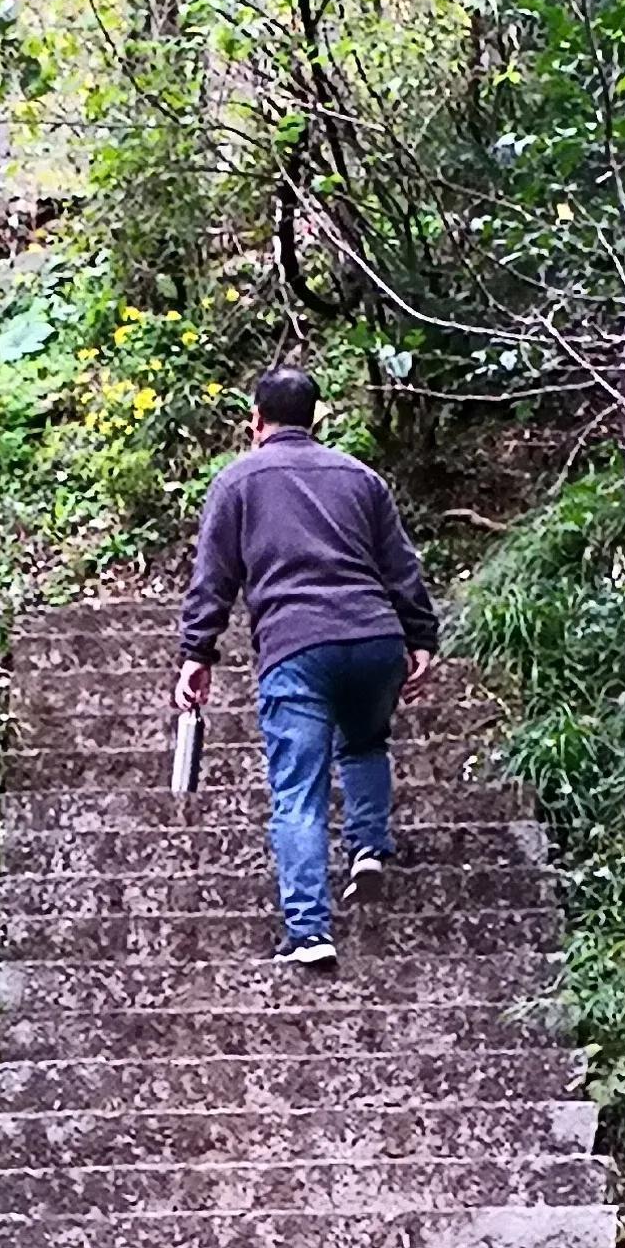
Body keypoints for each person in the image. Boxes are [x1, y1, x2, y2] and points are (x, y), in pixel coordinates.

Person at [176, 363, 439, 971]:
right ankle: (369, 848)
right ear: (316, 418)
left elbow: (213, 580)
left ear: (255, 421)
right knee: (368, 740)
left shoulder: (237, 482)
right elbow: (401, 565)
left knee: (299, 789)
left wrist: (198, 654)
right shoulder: (361, 478)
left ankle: (310, 929)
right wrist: (419, 636)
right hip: (374, 637)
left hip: (296, 646)